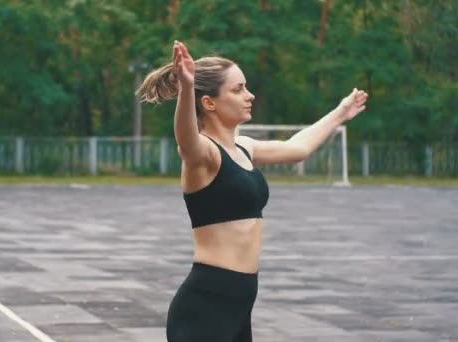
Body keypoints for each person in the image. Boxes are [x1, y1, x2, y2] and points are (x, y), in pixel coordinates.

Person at [136, 40, 368, 342]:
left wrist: (340, 113)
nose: (250, 96)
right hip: (206, 305)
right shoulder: (204, 154)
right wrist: (187, 88)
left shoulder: (243, 147)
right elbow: (186, 139)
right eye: (238, 89)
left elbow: (296, 148)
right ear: (209, 103)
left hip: (239, 304)